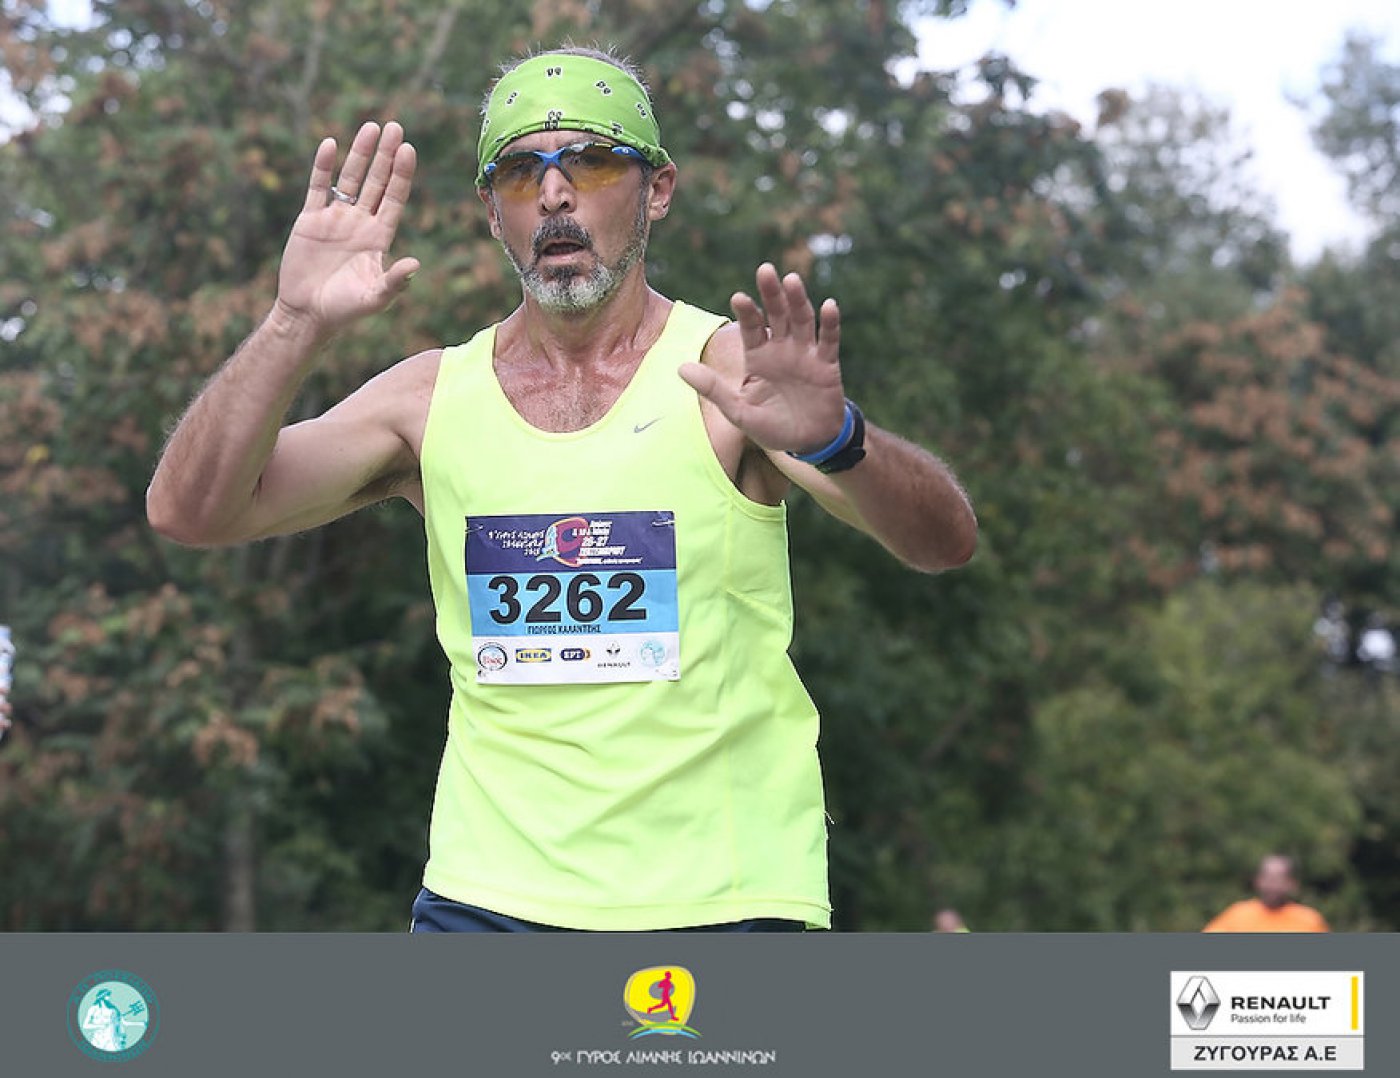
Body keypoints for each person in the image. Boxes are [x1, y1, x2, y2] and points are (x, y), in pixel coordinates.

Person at [146, 46, 977, 932]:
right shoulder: (428, 399)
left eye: (592, 162)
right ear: (491, 212)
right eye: (519, 173)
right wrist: (294, 322)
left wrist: (841, 440)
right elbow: (190, 512)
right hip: (485, 905)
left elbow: (943, 543)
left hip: (722, 901)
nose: (553, 195)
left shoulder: (726, 377)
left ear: (657, 190)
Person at [1203, 854, 1329, 933]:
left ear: (1292, 884)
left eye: (1278, 879)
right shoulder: (1237, 915)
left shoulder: (1309, 920)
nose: (1272, 885)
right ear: (1257, 881)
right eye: (1268, 878)